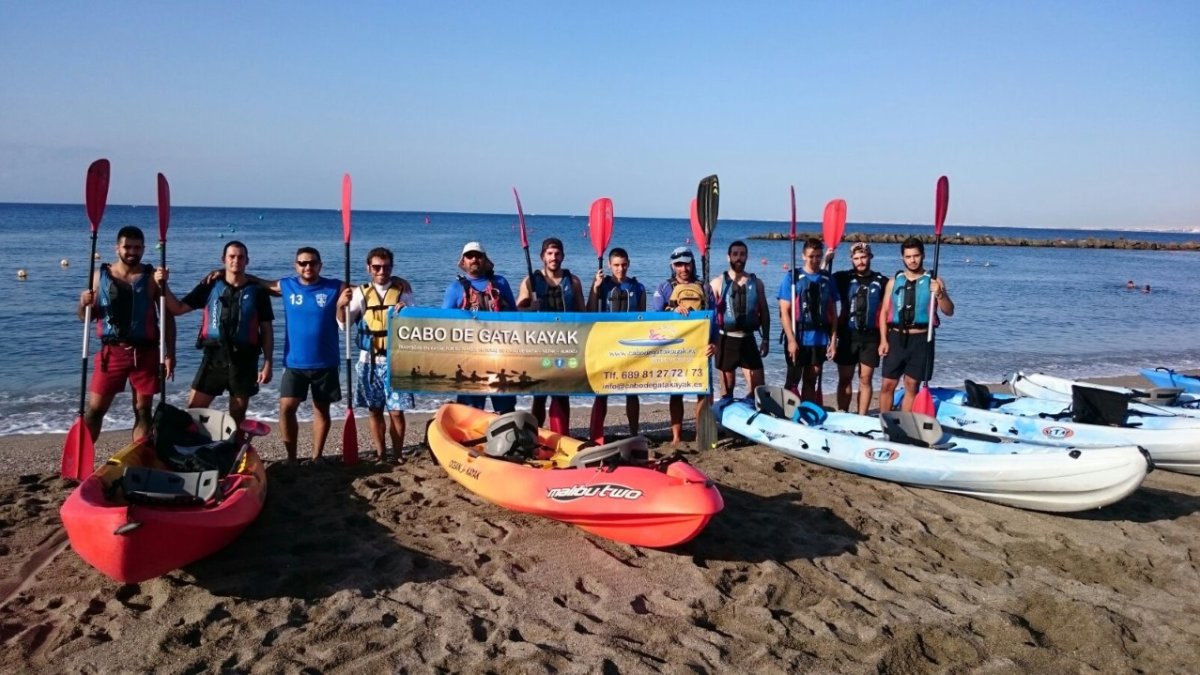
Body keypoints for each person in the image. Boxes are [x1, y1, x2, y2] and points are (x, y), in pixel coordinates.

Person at [157, 240, 273, 425]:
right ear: (224, 259)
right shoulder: (209, 285)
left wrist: (268, 363)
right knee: (194, 410)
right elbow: (177, 309)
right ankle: (195, 447)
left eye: (240, 257)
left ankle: (234, 448)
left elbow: (266, 330)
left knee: (237, 412)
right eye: (232, 256)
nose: (236, 260)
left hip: (244, 359)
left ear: (247, 261)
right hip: (214, 357)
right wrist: (163, 284)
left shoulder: (258, 292)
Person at [77, 225, 174, 441]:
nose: (132, 252)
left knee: (143, 412)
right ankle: (83, 460)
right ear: (117, 248)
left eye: (137, 248)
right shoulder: (99, 276)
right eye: (127, 247)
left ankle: (140, 455)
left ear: (143, 249)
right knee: (94, 411)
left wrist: (169, 354)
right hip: (112, 353)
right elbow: (86, 318)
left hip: (146, 353)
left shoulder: (152, 278)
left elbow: (168, 316)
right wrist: (83, 304)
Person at [249, 248, 345, 462]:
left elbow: (367, 290)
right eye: (302, 263)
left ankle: (317, 456)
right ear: (296, 265)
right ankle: (291, 458)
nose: (307, 267)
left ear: (320, 265)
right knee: (286, 408)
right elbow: (259, 283)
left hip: (326, 362)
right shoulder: (286, 286)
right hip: (294, 363)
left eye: (312, 263)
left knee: (321, 410)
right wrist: (224, 273)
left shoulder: (335, 287)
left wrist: (396, 280)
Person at [337, 247, 415, 462]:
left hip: (396, 360)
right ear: (368, 268)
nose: (382, 271)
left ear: (392, 267)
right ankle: (381, 454)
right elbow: (344, 326)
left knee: (397, 412)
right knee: (374, 410)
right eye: (377, 267)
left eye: (386, 267)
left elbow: (418, 324)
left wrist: (406, 312)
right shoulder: (361, 293)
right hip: (369, 361)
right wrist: (339, 305)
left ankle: (397, 454)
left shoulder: (403, 291)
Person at [878, 237, 955, 412]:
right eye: (908, 256)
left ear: (923, 255)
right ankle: (885, 422)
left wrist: (940, 294)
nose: (912, 260)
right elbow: (883, 312)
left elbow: (949, 311)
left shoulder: (935, 281)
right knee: (888, 385)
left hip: (922, 339)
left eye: (916, 256)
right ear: (902, 258)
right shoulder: (893, 282)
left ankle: (905, 423)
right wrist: (883, 340)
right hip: (896, 338)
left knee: (912, 385)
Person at [517, 237, 585, 434]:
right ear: (542, 257)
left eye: (557, 254)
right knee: (539, 394)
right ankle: (535, 434)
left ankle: (562, 434)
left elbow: (583, 313)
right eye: (550, 254)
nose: (554, 257)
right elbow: (516, 311)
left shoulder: (573, 281)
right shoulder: (531, 281)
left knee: (563, 394)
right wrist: (531, 307)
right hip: (541, 345)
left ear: (563, 256)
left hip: (566, 345)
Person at [441, 241, 518, 413]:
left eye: (478, 255)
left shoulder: (501, 283)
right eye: (469, 256)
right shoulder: (454, 289)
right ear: (464, 261)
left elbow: (514, 315)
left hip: (501, 358)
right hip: (469, 360)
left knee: (506, 407)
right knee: (470, 410)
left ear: (485, 259)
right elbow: (442, 325)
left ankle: (507, 438)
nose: (474, 259)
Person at [651, 247, 718, 445]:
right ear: (672, 266)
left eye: (687, 263)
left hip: (701, 348)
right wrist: (671, 309)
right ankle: (676, 437)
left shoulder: (704, 288)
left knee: (703, 392)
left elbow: (715, 319)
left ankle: (700, 433)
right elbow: (654, 317)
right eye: (679, 264)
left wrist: (714, 343)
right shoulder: (664, 287)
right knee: (676, 391)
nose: (683, 268)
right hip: (675, 350)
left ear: (693, 263)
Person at [586, 247, 647, 443]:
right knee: (602, 391)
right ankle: (596, 434)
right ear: (609, 266)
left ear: (628, 264)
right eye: (616, 265)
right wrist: (595, 287)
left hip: (629, 347)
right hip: (607, 345)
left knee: (631, 392)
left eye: (623, 265)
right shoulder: (602, 285)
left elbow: (643, 318)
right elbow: (591, 310)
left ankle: (633, 432)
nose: (620, 269)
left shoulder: (638, 288)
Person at [829, 242, 888, 413]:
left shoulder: (882, 281)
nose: (860, 261)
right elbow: (821, 278)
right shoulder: (843, 278)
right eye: (856, 258)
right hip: (848, 336)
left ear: (870, 257)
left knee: (865, 379)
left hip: (871, 337)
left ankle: (861, 416)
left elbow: (887, 310)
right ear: (851, 260)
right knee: (845, 378)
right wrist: (827, 259)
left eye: (863, 257)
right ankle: (843, 412)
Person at [778, 238, 838, 404]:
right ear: (804, 256)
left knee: (812, 378)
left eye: (818, 256)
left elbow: (833, 313)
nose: (815, 260)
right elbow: (784, 312)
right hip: (798, 336)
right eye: (811, 256)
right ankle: (787, 413)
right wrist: (791, 340)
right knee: (793, 378)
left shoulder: (827, 279)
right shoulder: (792, 277)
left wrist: (833, 341)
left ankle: (806, 411)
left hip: (819, 338)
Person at [710, 240, 770, 399]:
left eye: (742, 254)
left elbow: (764, 311)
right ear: (728, 257)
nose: (739, 258)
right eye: (735, 254)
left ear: (747, 257)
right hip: (726, 340)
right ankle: (725, 418)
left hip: (748, 340)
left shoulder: (757, 283)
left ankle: (752, 416)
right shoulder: (717, 283)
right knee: (727, 388)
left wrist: (765, 339)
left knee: (758, 387)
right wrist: (709, 341)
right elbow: (708, 315)